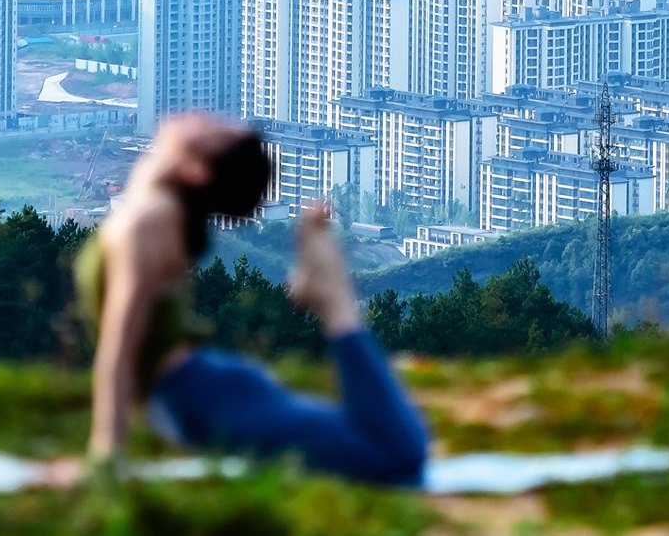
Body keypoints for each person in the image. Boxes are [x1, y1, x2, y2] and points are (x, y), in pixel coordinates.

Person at [76, 113, 428, 485]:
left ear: (195, 168)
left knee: (397, 454)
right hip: (206, 393)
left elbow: (120, 346)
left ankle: (334, 298)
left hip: (206, 399)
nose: (204, 117)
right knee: (388, 446)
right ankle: (331, 294)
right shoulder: (155, 205)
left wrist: (105, 456)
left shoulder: (149, 218)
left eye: (214, 132)